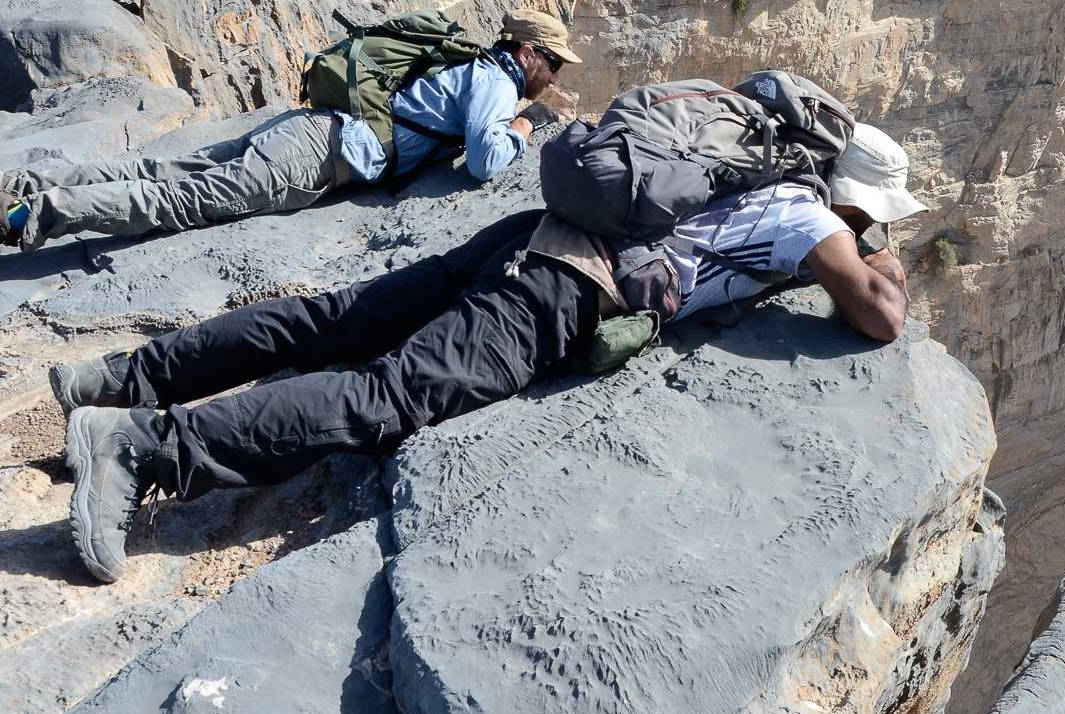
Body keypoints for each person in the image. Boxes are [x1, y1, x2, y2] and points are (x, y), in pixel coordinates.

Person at [56, 122, 928, 583]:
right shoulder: (813, 219)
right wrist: (874, 248)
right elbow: (881, 316)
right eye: (881, 214)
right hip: (559, 292)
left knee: (338, 317)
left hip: (534, 231)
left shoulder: (767, 174)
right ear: (860, 202)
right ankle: (137, 447)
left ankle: (118, 377)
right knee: (383, 399)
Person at [0, 8, 581, 286]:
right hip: (320, 156)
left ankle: (0, 177)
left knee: (159, 167)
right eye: (552, 64)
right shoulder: (495, 82)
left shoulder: (470, 66)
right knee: (173, 200)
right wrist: (525, 129)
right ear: (527, 52)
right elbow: (487, 161)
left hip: (314, 128)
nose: (554, 77)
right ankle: (4, 216)